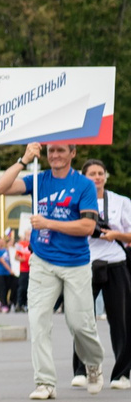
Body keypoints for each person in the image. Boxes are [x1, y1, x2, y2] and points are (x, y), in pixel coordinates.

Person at [0, 139, 108, 402]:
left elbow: (88, 228)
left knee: (79, 324)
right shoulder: (38, 179)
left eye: (60, 150)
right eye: (51, 151)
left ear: (72, 153)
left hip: (76, 263)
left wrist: (49, 223)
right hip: (42, 261)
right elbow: (0, 187)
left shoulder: (84, 185)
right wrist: (23, 160)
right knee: (38, 321)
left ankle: (93, 363)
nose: (54, 155)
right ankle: (45, 382)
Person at [81, 162, 130, 389]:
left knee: (120, 319)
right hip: (85, 263)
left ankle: (122, 373)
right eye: (92, 174)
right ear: (84, 177)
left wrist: (115, 234)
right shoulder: (77, 200)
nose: (97, 177)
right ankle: (81, 370)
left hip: (115, 262)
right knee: (81, 318)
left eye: (100, 173)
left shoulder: (121, 201)